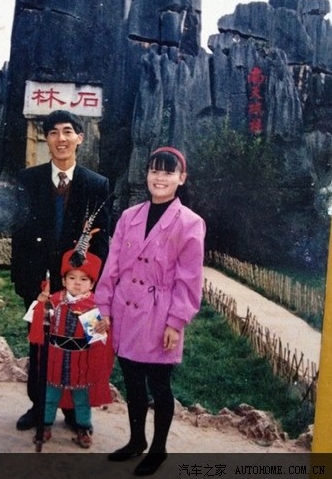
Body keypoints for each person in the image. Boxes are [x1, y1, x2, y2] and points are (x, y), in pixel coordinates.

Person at [94, 147, 205, 476]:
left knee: (159, 385)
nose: (160, 178)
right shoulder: (129, 216)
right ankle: (136, 440)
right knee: (132, 382)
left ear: (181, 178)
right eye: (155, 170)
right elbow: (112, 265)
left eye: (168, 172)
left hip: (160, 316)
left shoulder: (190, 223)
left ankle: (158, 450)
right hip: (125, 310)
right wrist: (104, 307)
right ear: (146, 175)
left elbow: (189, 279)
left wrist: (176, 322)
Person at [11, 110, 110, 431]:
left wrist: (88, 286)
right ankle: (39, 407)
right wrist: (25, 283)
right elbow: (19, 236)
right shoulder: (27, 180)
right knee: (40, 345)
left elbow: (101, 242)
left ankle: (75, 413)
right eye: (53, 132)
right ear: (46, 138)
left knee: (79, 348)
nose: (61, 138)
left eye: (68, 131)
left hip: (79, 286)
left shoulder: (97, 184)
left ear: (80, 137)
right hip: (39, 284)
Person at [26, 248, 113, 449]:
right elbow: (37, 323)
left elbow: (98, 342)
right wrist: (40, 306)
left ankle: (83, 429)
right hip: (54, 361)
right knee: (49, 397)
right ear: (64, 281)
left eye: (83, 279)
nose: (77, 283)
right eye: (72, 278)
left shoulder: (93, 307)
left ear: (92, 284)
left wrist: (103, 328)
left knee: (81, 399)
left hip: (80, 365)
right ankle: (45, 426)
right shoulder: (54, 301)